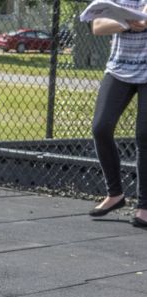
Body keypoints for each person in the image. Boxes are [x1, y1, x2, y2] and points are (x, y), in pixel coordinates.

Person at [89, 1, 147, 227]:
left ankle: (144, 207)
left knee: (145, 135)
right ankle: (115, 195)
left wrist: (131, 22)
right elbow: (98, 26)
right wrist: (126, 23)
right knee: (101, 127)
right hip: (119, 68)